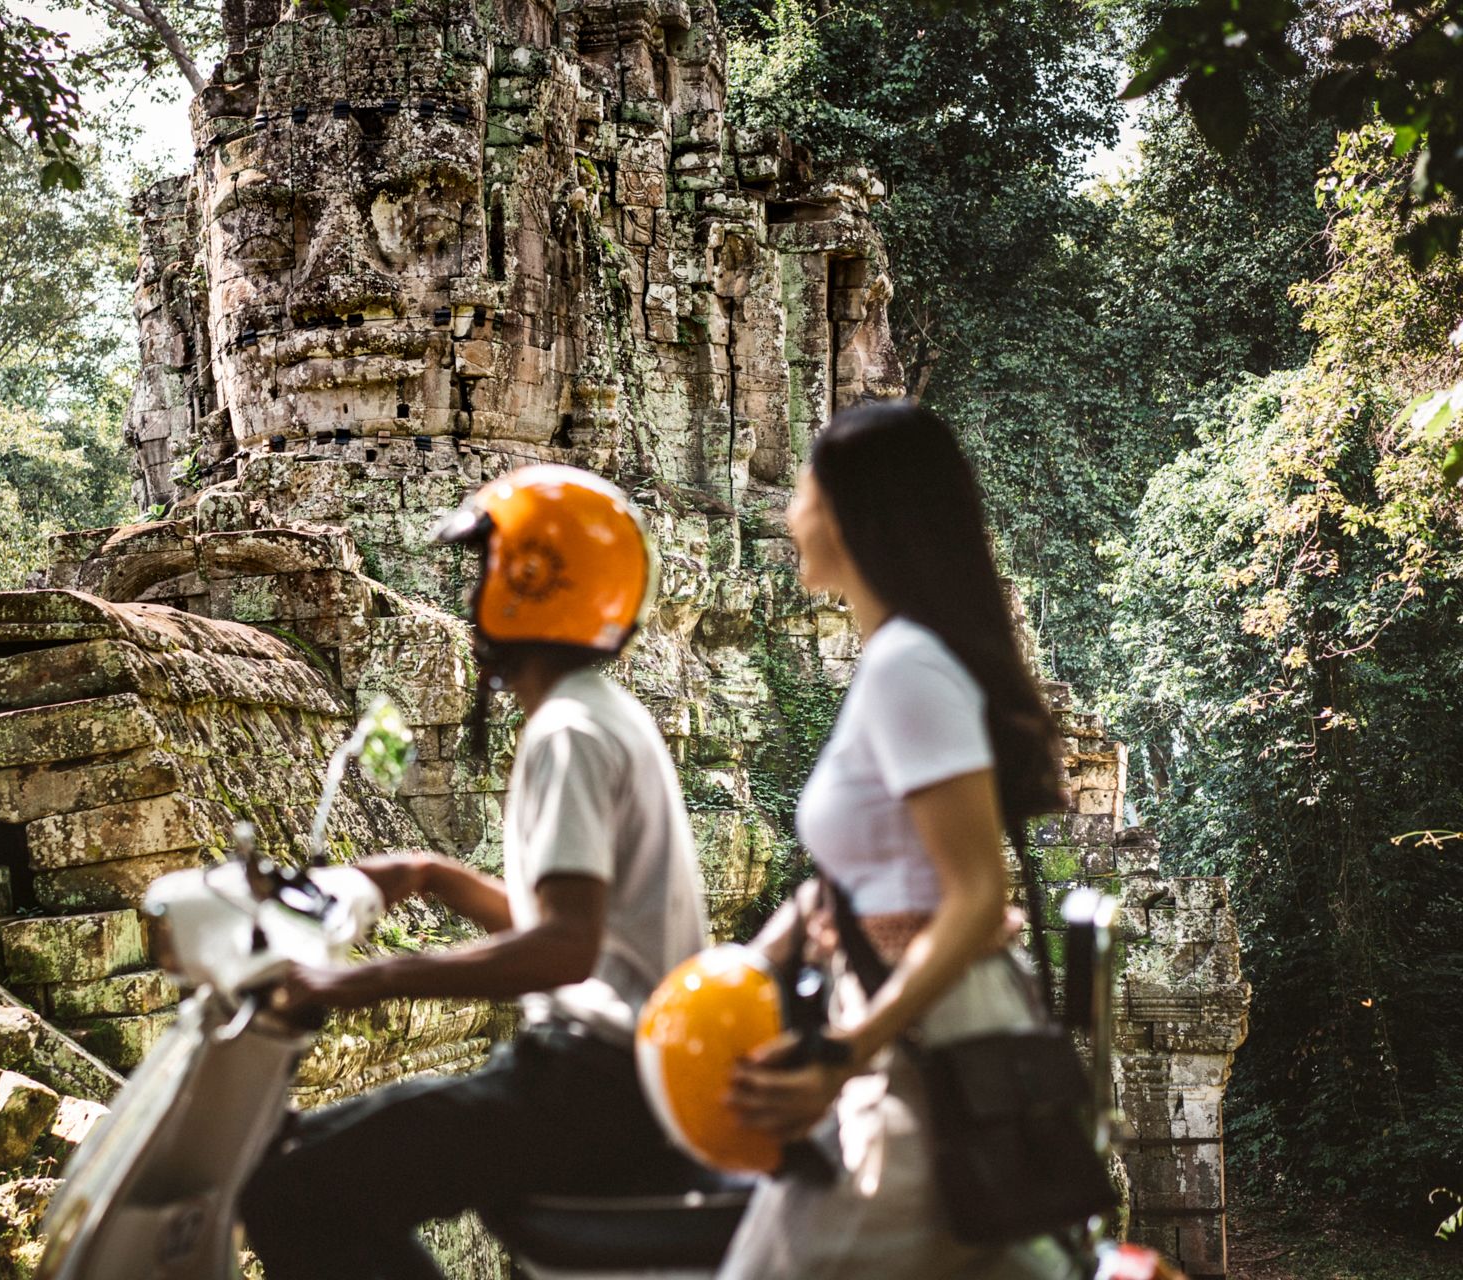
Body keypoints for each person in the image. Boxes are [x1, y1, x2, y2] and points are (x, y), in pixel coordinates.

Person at [239, 463, 709, 1280]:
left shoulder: (568, 731)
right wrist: (429, 875)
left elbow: (567, 949)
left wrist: (367, 980)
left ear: (532, 584)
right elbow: (574, 924)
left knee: (292, 1185)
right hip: (620, 1071)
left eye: (486, 571)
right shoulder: (597, 713)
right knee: (313, 1161)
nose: (472, 596)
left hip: (592, 1079)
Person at [717, 399, 1075, 1279]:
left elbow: (975, 894)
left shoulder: (910, 663)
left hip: (930, 1057)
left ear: (849, 509)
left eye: (801, 489)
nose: (787, 514)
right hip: (911, 1045)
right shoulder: (898, 658)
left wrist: (844, 1053)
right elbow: (869, 871)